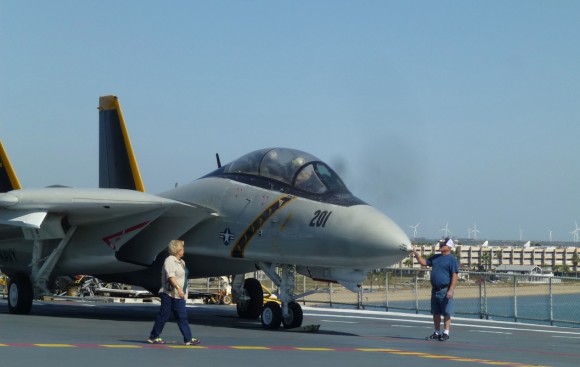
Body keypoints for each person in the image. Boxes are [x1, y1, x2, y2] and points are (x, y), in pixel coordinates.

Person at [148, 239, 200, 345]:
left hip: (179, 295)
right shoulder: (170, 260)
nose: (184, 249)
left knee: (182, 316)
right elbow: (171, 276)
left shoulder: (182, 262)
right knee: (164, 315)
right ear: (177, 250)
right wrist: (179, 288)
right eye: (182, 248)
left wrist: (183, 292)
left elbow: (183, 279)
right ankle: (154, 336)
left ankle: (188, 339)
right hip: (169, 293)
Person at [412, 237, 459, 341]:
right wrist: (415, 253)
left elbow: (454, 275)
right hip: (435, 290)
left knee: (446, 312)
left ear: (449, 247)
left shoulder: (452, 259)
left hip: (445, 290)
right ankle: (437, 332)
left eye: (443, 244)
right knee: (436, 312)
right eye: (441, 244)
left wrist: (451, 290)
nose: (441, 245)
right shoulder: (436, 257)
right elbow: (423, 262)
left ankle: (446, 333)